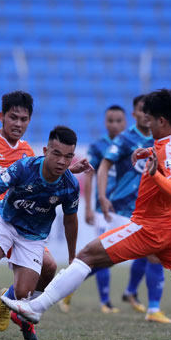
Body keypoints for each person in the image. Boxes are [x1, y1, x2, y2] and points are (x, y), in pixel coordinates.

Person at [1, 89, 171, 340]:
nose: (147, 125)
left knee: (86, 256)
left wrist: (154, 174)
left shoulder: (169, 149)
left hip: (148, 227)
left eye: (151, 121)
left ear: (163, 121)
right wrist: (152, 152)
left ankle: (36, 308)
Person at [0, 94, 91, 340]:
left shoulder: (30, 155)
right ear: (2, 116)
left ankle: (11, 301)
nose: (18, 123)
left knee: (37, 279)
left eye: (23, 119)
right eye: (13, 117)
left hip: (32, 231)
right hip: (1, 215)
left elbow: (56, 190)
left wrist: (73, 256)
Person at [96, 95, 171, 323]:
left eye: (150, 111)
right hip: (123, 209)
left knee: (153, 253)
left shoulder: (161, 139)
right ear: (136, 113)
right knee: (102, 258)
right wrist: (102, 196)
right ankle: (71, 280)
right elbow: (104, 165)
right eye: (142, 110)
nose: (146, 115)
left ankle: (151, 307)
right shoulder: (125, 139)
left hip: (148, 209)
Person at [60, 105, 127, 314]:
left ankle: (69, 286)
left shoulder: (132, 144)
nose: (114, 125)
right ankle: (105, 302)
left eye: (118, 121)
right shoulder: (99, 147)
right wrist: (88, 207)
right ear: (105, 122)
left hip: (125, 209)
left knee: (116, 256)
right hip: (102, 209)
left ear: (125, 122)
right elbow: (88, 176)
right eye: (110, 121)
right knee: (105, 254)